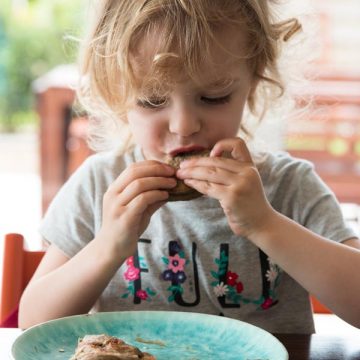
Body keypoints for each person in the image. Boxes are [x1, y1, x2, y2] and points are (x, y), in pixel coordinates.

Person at [19, 0, 360, 333]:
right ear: (116, 94)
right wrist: (107, 246)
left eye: (214, 97)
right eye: (153, 100)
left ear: (254, 82)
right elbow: (32, 322)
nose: (184, 125)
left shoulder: (289, 187)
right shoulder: (100, 186)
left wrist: (264, 223)